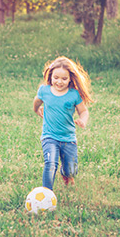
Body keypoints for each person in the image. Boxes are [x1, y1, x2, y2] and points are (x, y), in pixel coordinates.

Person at [33, 56, 94, 191]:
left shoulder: (74, 95)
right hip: (49, 136)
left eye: (64, 79)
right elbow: (36, 101)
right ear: (51, 76)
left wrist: (83, 120)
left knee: (70, 169)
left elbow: (83, 111)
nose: (59, 82)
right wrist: (37, 109)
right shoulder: (44, 91)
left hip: (68, 138)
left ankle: (66, 174)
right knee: (50, 163)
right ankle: (46, 193)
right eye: (56, 78)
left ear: (71, 78)